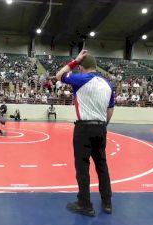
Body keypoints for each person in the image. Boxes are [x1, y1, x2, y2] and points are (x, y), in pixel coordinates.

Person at [56, 50, 114, 216]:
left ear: (81, 67)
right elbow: (110, 110)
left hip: (84, 128)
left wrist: (75, 61)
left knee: (82, 167)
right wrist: (103, 126)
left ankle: (85, 204)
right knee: (102, 165)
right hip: (101, 127)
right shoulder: (108, 84)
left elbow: (59, 75)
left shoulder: (80, 78)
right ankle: (107, 202)